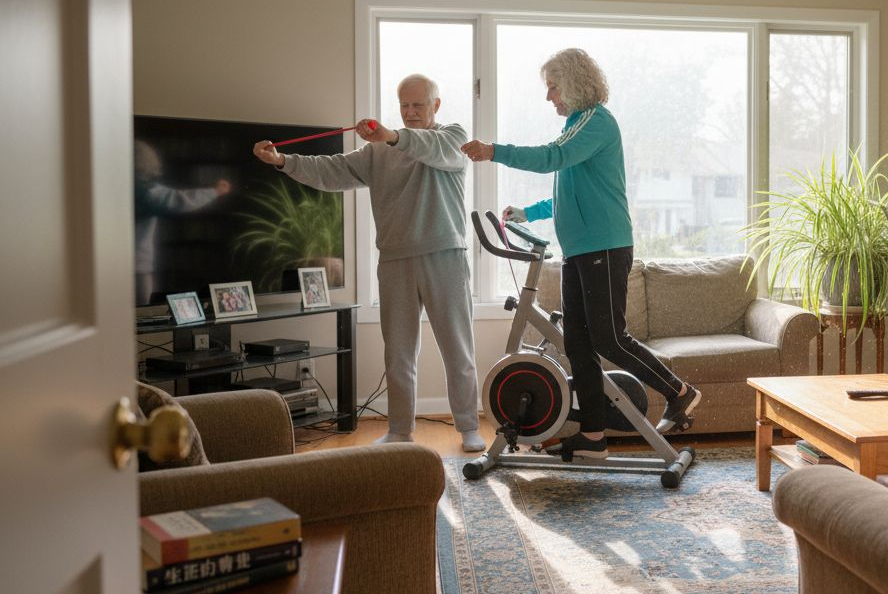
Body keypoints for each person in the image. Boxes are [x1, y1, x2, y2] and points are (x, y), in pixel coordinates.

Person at [461, 48, 700, 460]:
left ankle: (680, 391)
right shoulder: (576, 126)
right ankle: (593, 436)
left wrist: (494, 151)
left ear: (572, 83)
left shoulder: (596, 122)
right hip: (579, 252)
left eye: (553, 87)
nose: (549, 97)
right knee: (577, 343)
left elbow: (553, 158)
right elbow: (568, 192)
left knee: (609, 337)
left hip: (604, 248)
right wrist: (528, 213)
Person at [252, 74, 484, 451]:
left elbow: (434, 149)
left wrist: (391, 135)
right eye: (404, 105)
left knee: (458, 349)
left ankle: (468, 426)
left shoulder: (453, 137)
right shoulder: (378, 152)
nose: (410, 112)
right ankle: (399, 430)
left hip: (445, 255)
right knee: (398, 354)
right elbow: (330, 170)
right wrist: (282, 161)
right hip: (394, 259)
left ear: (436, 106)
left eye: (418, 105)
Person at [133, 141, 231, 305]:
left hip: (118, 265)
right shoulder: (143, 190)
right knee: (140, 315)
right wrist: (214, 191)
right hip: (136, 268)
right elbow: (177, 201)